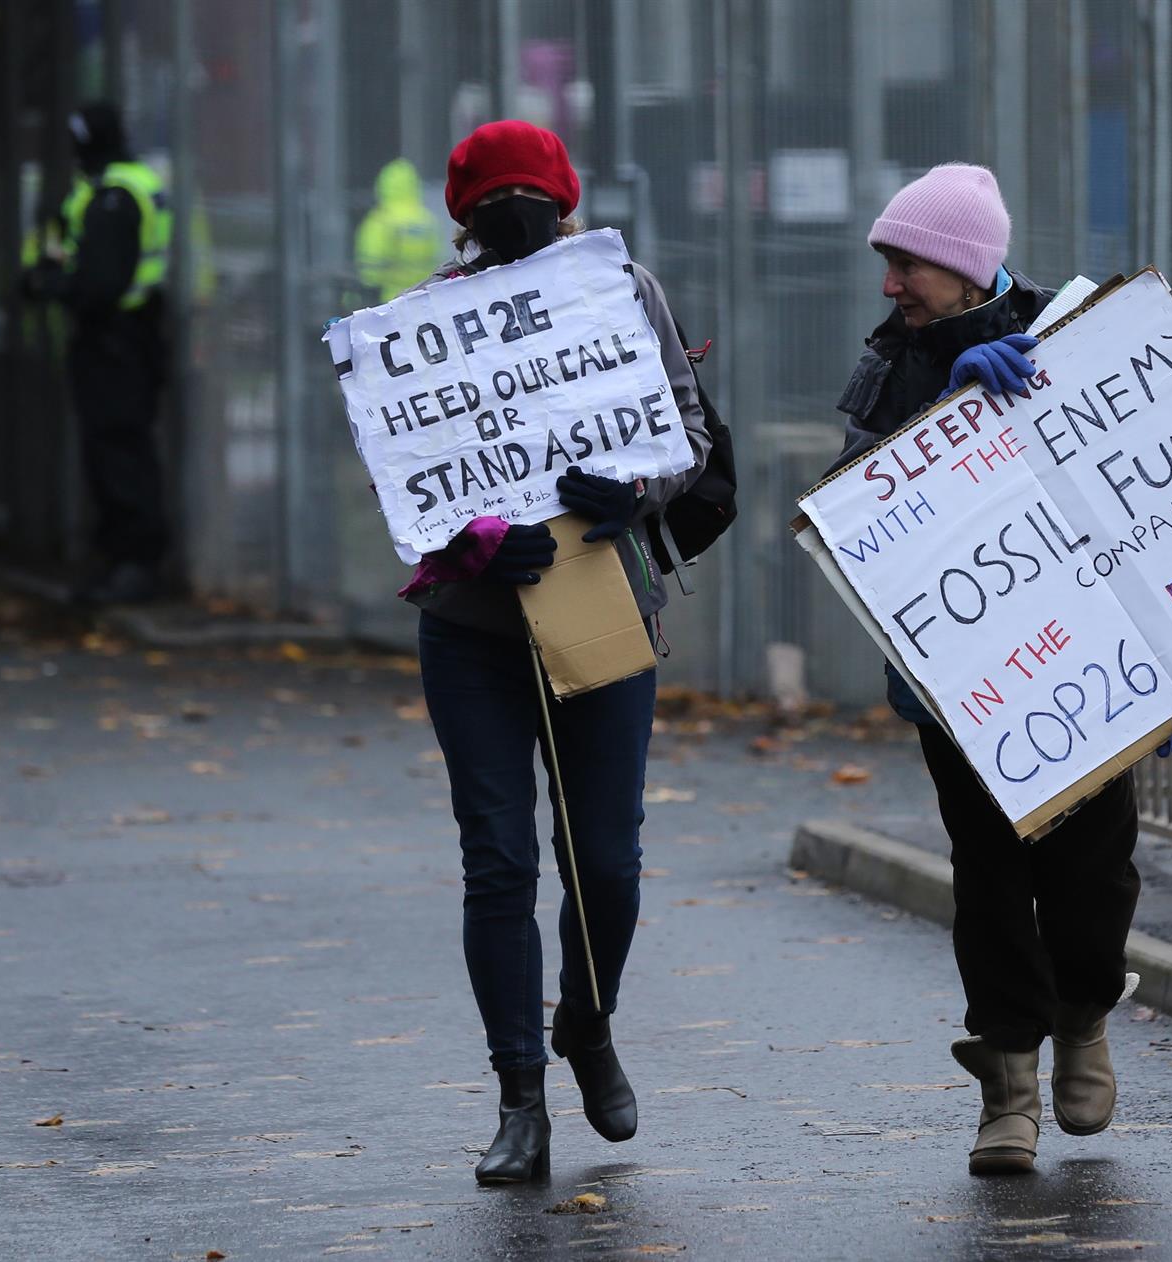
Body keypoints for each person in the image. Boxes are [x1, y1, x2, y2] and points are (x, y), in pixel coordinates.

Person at [829, 163, 1172, 1176]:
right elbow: (850, 508)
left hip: (1094, 673)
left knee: (1093, 871)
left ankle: (1085, 1015)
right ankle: (1007, 1084)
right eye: (887, 263)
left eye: (906, 263)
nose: (890, 286)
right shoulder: (893, 366)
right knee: (993, 882)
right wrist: (942, 408)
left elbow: (1163, 500)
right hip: (958, 685)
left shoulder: (1084, 339)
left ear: (965, 268)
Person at [401, 120, 710, 1185]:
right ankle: (519, 1095)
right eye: (496, 206)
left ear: (567, 203)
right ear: (466, 219)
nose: (516, 222)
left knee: (608, 859)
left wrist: (636, 489)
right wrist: (472, 536)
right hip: (476, 626)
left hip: (601, 605)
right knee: (499, 859)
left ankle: (587, 1018)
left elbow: (690, 429)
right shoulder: (430, 322)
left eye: (532, 201)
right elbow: (411, 474)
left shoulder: (626, 292)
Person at [20, 101, 172, 604]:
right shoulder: (125, 184)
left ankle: (136, 564)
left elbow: (99, 285)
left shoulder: (114, 195)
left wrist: (51, 284)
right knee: (113, 448)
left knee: (119, 449)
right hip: (126, 336)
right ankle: (122, 559)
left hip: (117, 340)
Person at [351, 157, 444, 305]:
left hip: (389, 298)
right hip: (424, 296)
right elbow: (436, 257)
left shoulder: (381, 219)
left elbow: (369, 267)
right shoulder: (427, 219)